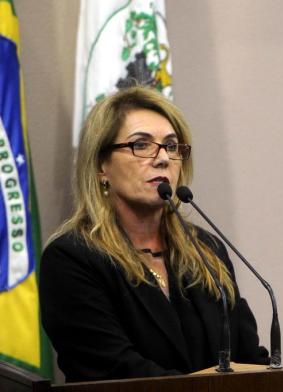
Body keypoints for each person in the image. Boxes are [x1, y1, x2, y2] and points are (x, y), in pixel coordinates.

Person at [39, 86, 269, 382]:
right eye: (141, 145)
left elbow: (247, 357)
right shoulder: (72, 259)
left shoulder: (206, 250)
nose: (162, 159)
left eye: (172, 147)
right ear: (100, 165)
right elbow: (114, 370)